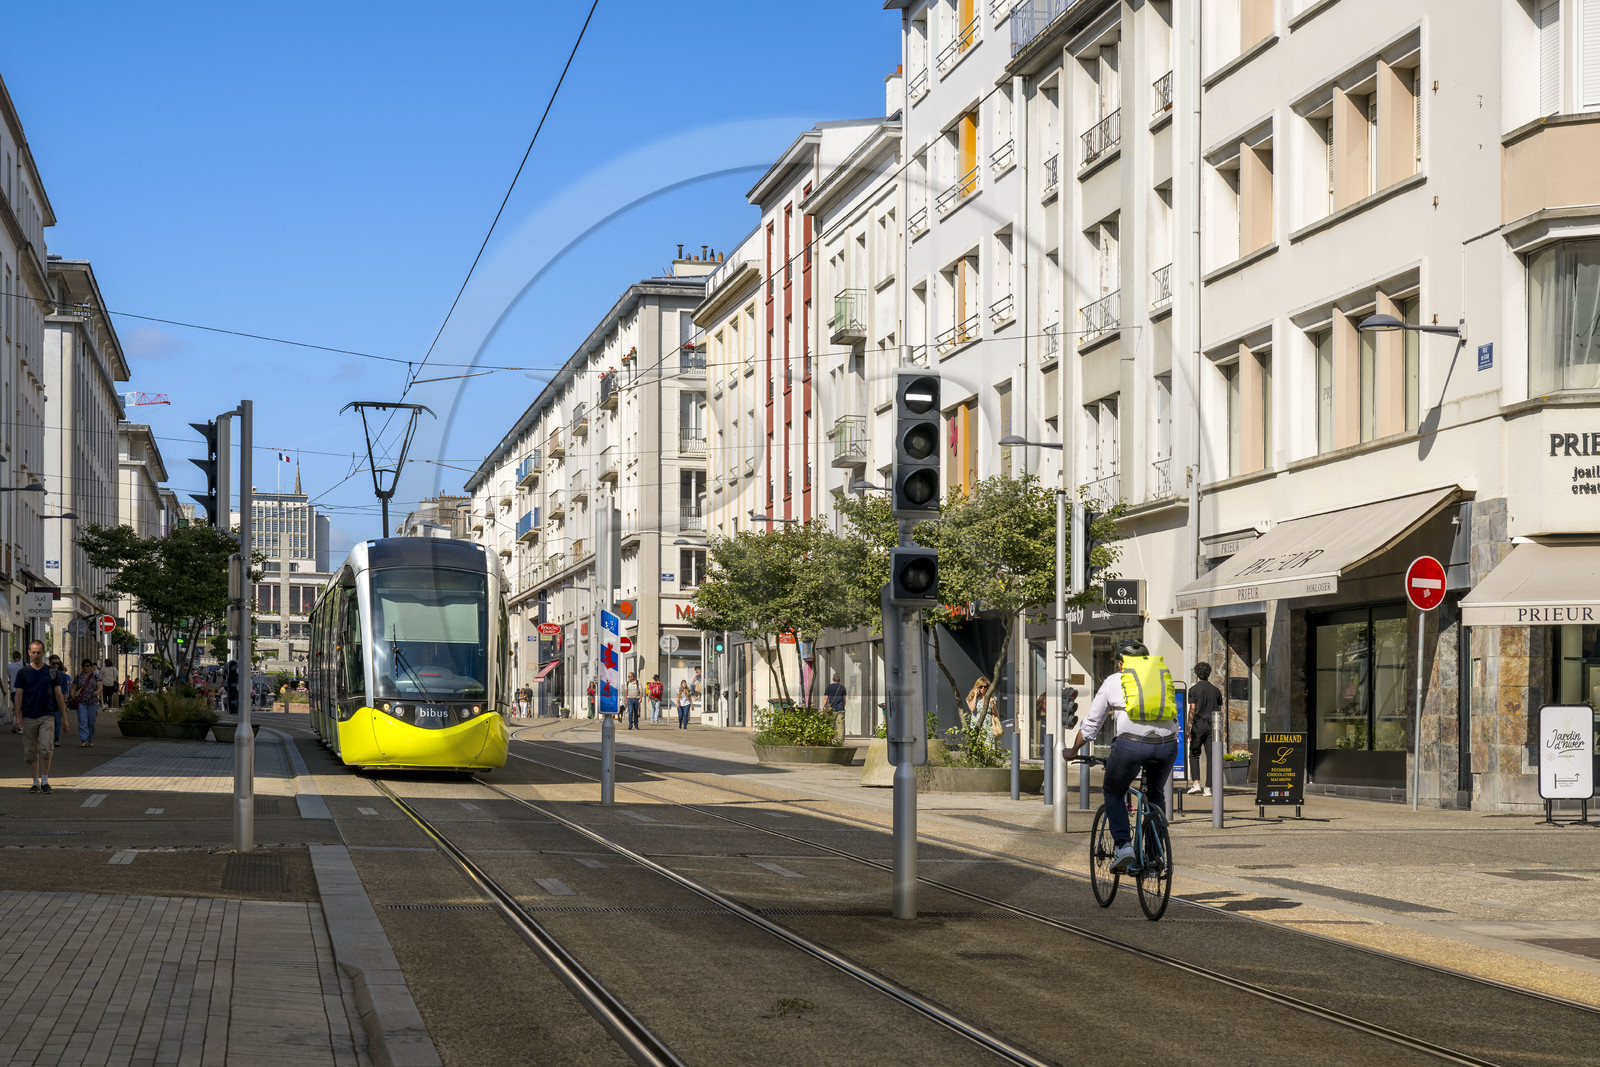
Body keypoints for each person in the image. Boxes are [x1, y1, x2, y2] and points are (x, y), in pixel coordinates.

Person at [1070, 640, 1178, 873]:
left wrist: (1073, 750)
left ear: (1120, 664)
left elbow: (1091, 725)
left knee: (1113, 791)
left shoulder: (1113, 681)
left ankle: (1123, 846)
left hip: (1130, 745)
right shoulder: (1161, 678)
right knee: (1155, 794)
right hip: (1167, 745)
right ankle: (1154, 856)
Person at [14, 642, 68, 793]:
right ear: (29, 653)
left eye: (39, 653)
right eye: (33, 652)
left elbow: (58, 695)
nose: (36, 655)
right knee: (30, 752)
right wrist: (17, 717)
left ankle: (45, 780)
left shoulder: (51, 672)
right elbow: (18, 695)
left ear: (43, 653)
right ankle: (34, 781)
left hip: (47, 715)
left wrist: (64, 718)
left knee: (45, 748)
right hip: (29, 716)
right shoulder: (23, 672)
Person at [1186, 661, 1222, 798]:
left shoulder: (1193, 690)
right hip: (1212, 727)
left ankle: (1196, 783)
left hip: (1198, 725)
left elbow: (1192, 709)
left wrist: (1189, 726)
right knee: (1212, 757)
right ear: (1209, 673)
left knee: (1194, 754)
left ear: (1197, 674)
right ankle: (1208, 787)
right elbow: (1219, 711)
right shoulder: (1216, 690)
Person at [71, 660, 101, 747]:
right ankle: (84, 740)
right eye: (84, 666)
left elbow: (100, 685)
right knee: (82, 720)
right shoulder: (78, 676)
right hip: (81, 702)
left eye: (87, 666)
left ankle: (90, 739)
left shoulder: (95, 676)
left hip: (92, 701)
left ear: (91, 667)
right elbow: (74, 686)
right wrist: (72, 693)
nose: (85, 667)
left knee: (91, 722)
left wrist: (98, 691)